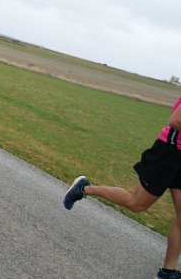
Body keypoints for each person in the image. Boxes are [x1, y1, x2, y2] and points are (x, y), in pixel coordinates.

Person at [64, 97, 181, 279]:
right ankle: (84, 188)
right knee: (136, 203)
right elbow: (176, 121)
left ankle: (168, 271)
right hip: (170, 152)